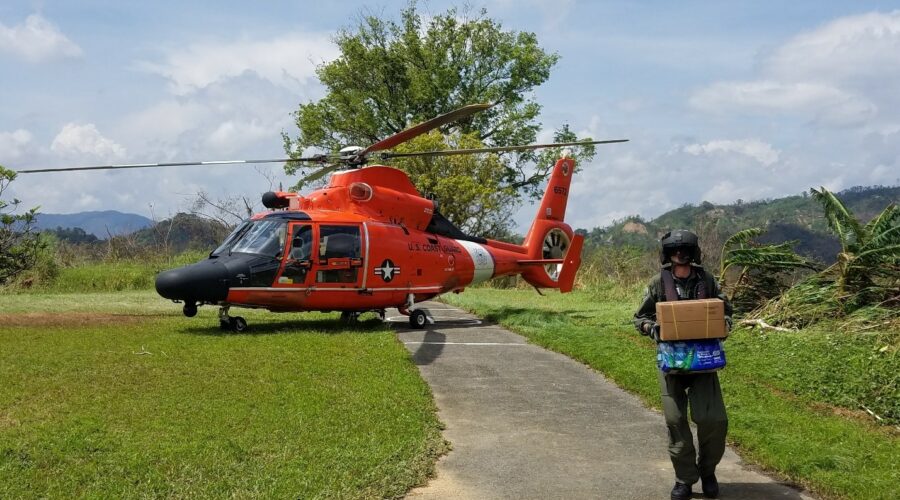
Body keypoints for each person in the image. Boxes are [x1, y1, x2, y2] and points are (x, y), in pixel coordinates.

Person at [633, 229, 733, 500]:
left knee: (713, 420)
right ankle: (684, 480)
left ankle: (708, 471)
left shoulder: (707, 280)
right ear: (667, 254)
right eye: (675, 251)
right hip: (671, 363)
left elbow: (727, 311)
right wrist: (650, 327)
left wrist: (724, 325)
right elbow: (639, 316)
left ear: (693, 253)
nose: (681, 255)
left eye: (685, 250)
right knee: (676, 420)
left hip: (704, 362)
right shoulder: (657, 283)